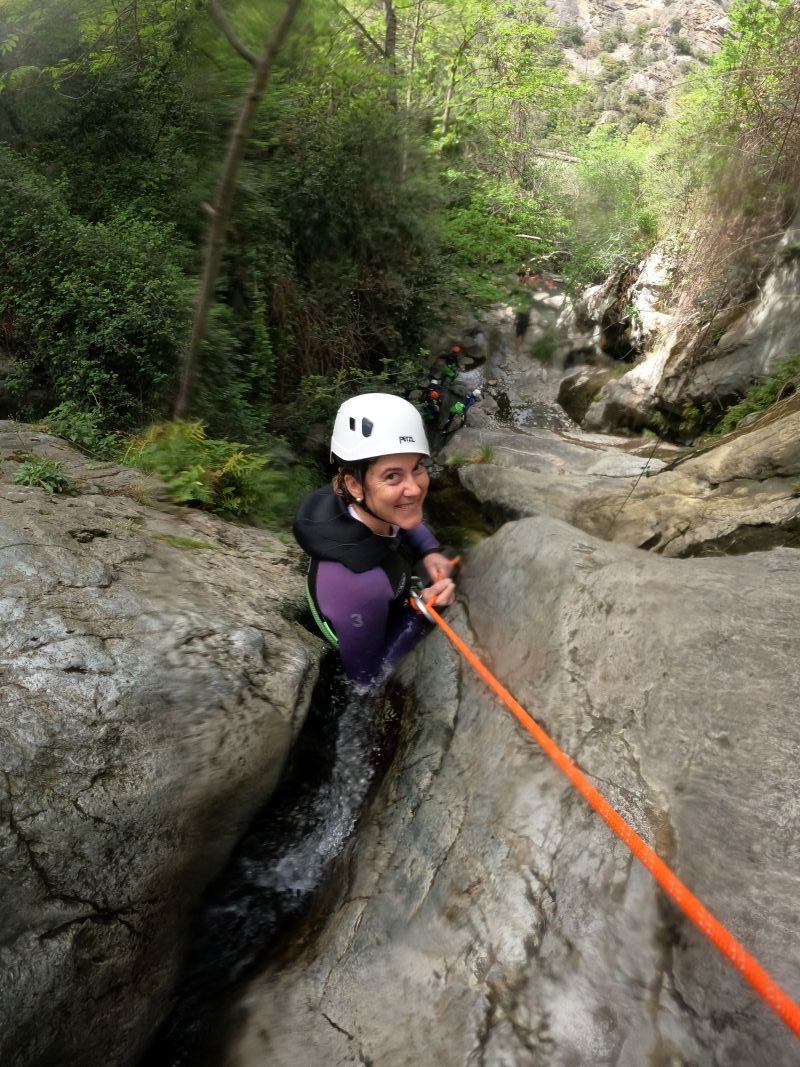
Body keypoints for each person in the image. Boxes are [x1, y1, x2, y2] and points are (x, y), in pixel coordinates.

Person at [293, 393, 457, 688]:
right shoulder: (358, 583)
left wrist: (429, 550)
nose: (415, 488)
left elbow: (404, 517)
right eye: (393, 476)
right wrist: (421, 614)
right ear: (354, 484)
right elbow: (366, 677)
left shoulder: (355, 501)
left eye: (417, 467)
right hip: (359, 616)